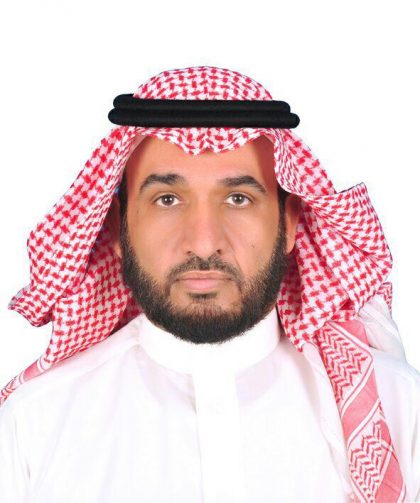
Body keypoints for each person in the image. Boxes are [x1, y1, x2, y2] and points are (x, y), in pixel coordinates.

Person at [0, 66, 418, 503]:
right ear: (118, 228)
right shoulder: (35, 425)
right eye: (167, 199)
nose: (203, 242)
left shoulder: (400, 408)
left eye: (238, 198)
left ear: (290, 222)